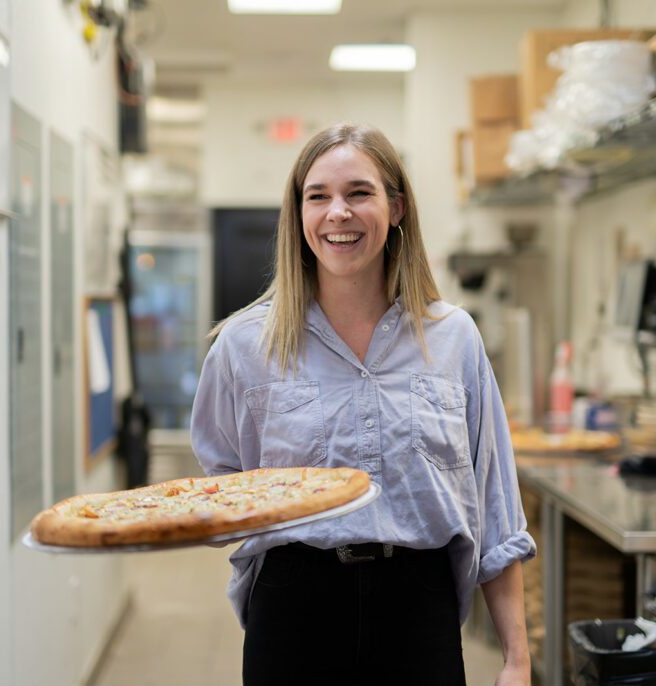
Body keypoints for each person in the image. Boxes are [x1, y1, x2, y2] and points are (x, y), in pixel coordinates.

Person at [190, 123, 536, 686]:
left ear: (396, 207)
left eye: (359, 193)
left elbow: (496, 505)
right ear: (298, 214)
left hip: (419, 609)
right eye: (318, 196)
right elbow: (221, 488)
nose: (338, 213)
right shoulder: (244, 345)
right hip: (293, 607)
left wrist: (516, 659)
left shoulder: (453, 338)